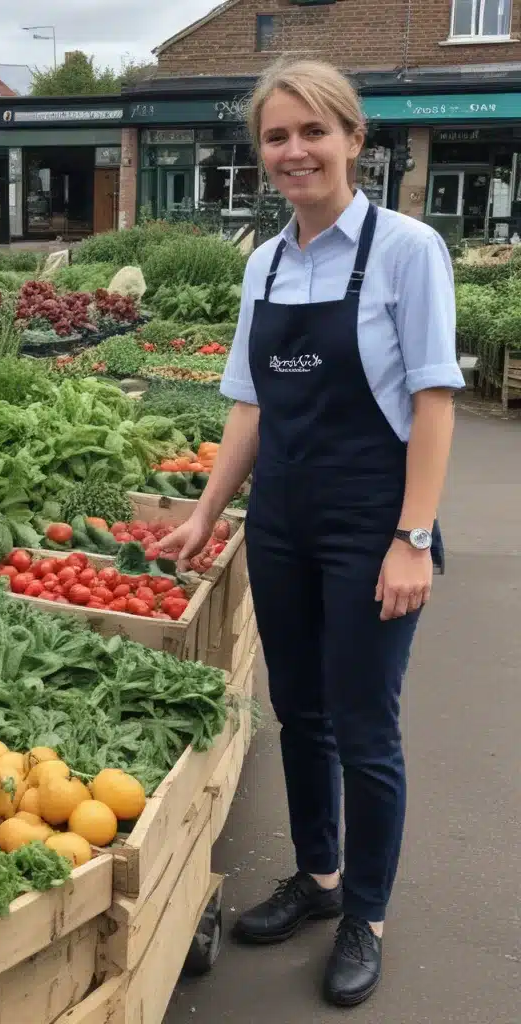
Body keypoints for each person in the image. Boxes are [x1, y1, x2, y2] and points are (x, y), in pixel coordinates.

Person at [161, 59, 463, 1008]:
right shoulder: (268, 262)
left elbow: (433, 400)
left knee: (366, 729)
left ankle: (366, 915)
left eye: (312, 132)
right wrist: (209, 511)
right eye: (277, 137)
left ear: (353, 139)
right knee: (301, 715)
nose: (295, 152)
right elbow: (250, 404)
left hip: (371, 518)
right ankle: (320, 879)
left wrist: (413, 536)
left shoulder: (409, 251)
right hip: (282, 518)